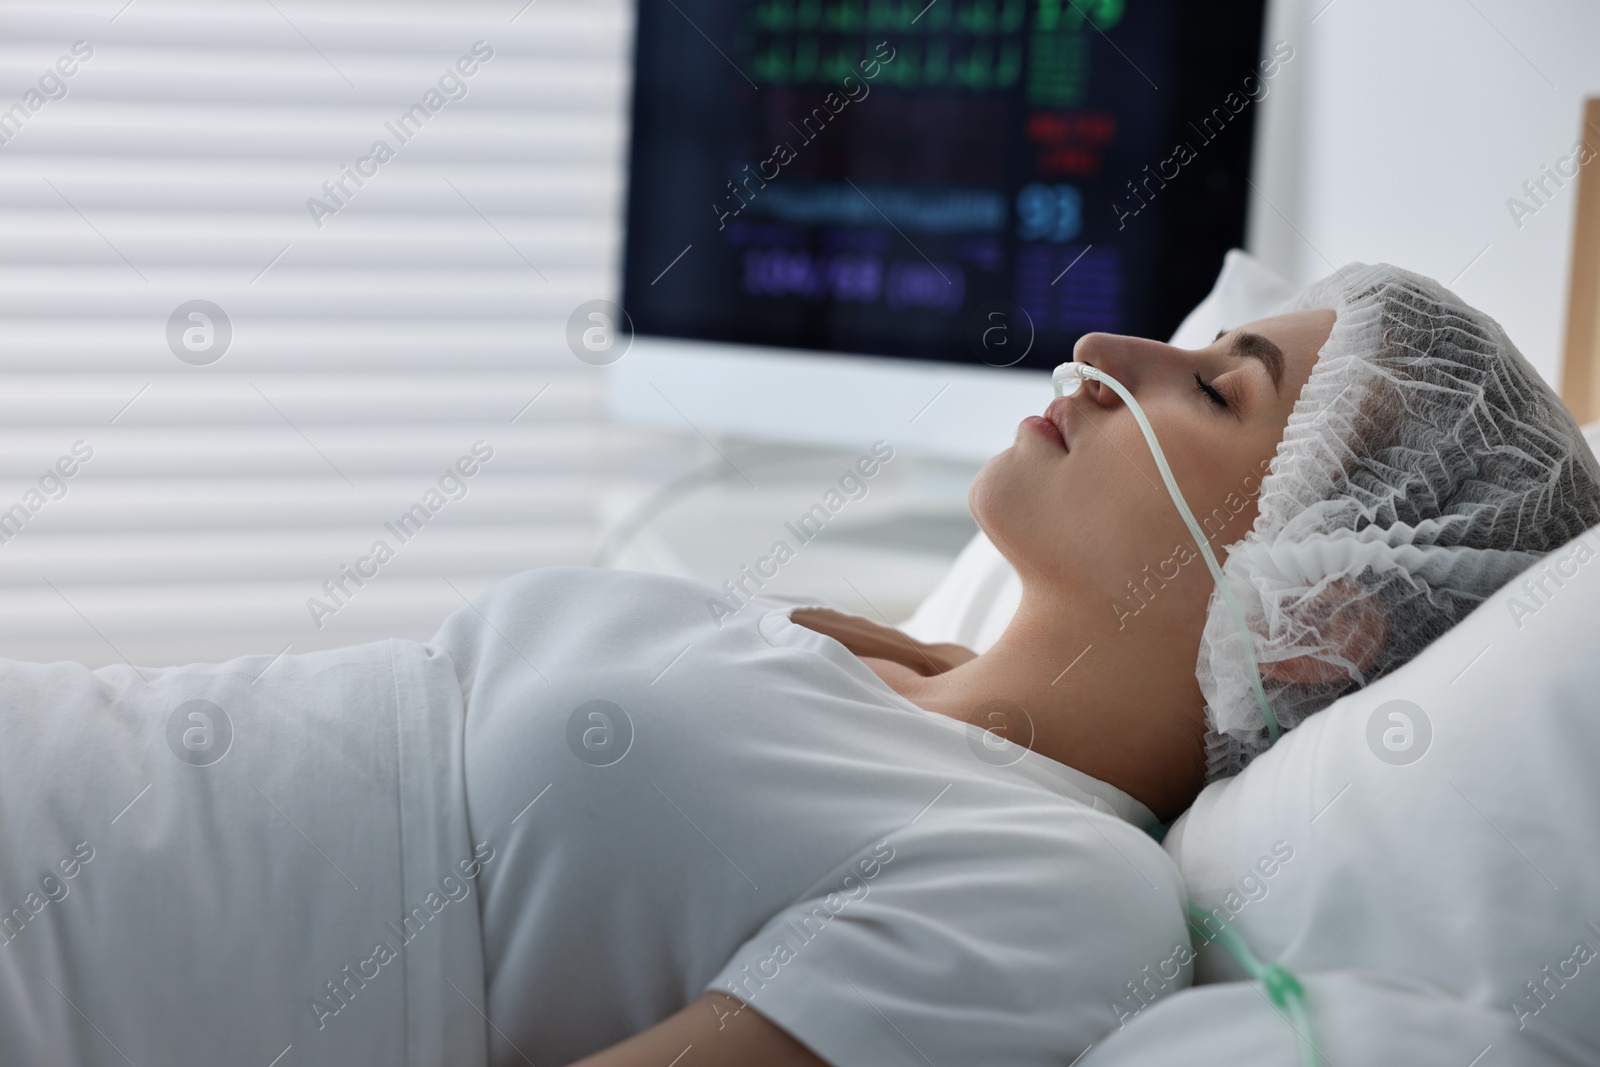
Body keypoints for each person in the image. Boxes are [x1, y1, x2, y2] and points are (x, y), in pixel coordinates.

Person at [3, 265, 1596, 1067]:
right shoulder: (892, 677)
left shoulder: (1058, 892)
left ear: (1326, 606)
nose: (1109, 353)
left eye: (1217, 389)